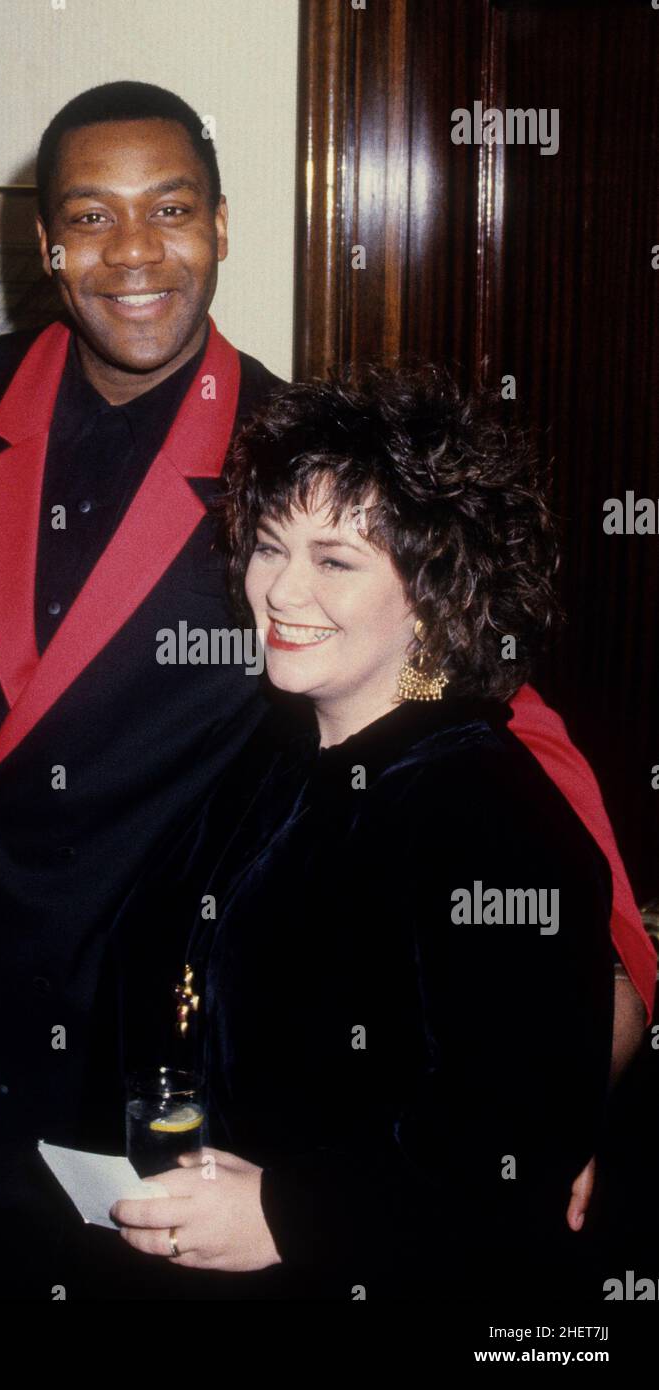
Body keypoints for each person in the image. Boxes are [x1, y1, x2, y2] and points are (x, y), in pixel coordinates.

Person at [0, 82, 651, 1300]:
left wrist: (593, 1022)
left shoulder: (296, 467)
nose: (135, 252)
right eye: (92, 216)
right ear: (45, 243)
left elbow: (491, 710)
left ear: (223, 227)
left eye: (171, 210)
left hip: (127, 1060)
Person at [109, 366, 653, 1300]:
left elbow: (509, 1157)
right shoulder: (278, 753)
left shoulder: (491, 813)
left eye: (336, 560)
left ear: (435, 591)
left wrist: (292, 1212)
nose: (279, 591)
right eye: (269, 547)